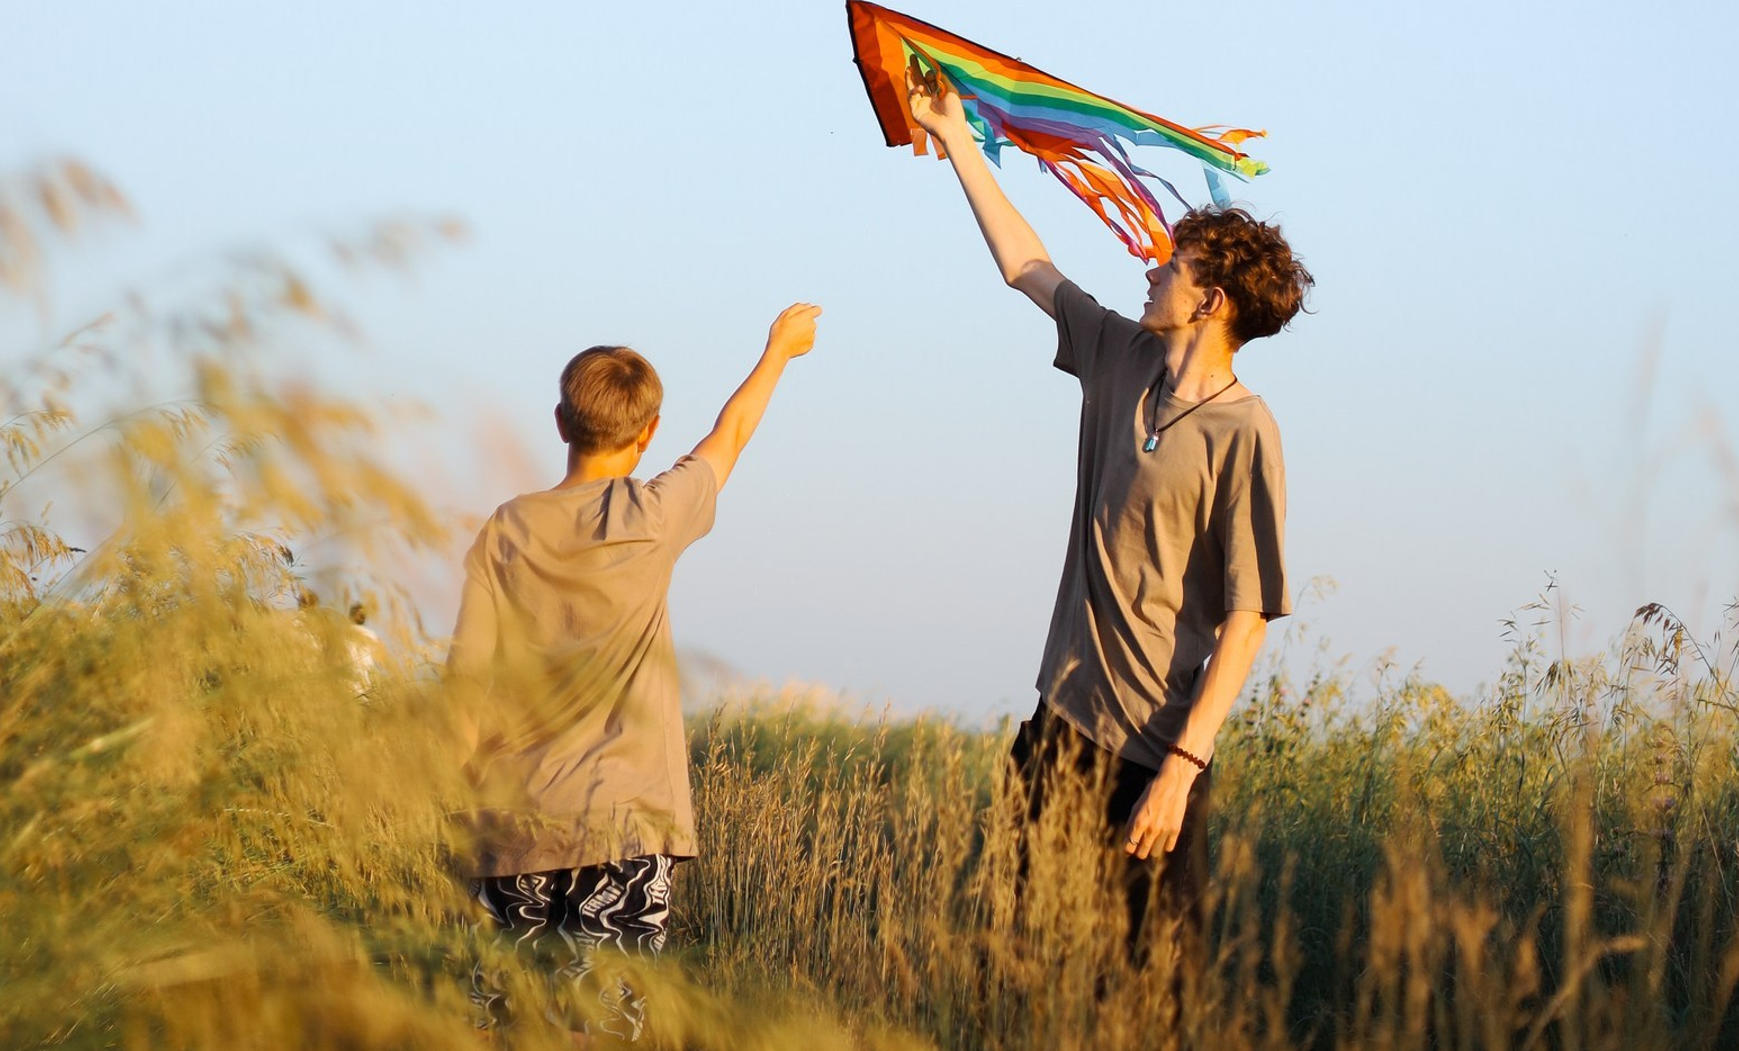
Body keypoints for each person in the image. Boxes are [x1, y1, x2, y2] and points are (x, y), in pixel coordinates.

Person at [907, 71, 1309, 964]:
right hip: (1057, 731)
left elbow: (1246, 623)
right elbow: (1026, 266)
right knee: (1016, 970)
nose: (1150, 267)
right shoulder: (1120, 356)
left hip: (1154, 759)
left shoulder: (1246, 433)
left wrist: (1182, 770)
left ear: (1211, 301)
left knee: (1144, 1000)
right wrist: (957, 137)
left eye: (1170, 265)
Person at [447, 303, 821, 1037]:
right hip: (625, 830)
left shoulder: (506, 531)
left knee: (505, 1030)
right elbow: (731, 434)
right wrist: (778, 351)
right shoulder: (654, 516)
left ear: (560, 422)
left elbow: (463, 685)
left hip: (510, 826)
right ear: (648, 434)